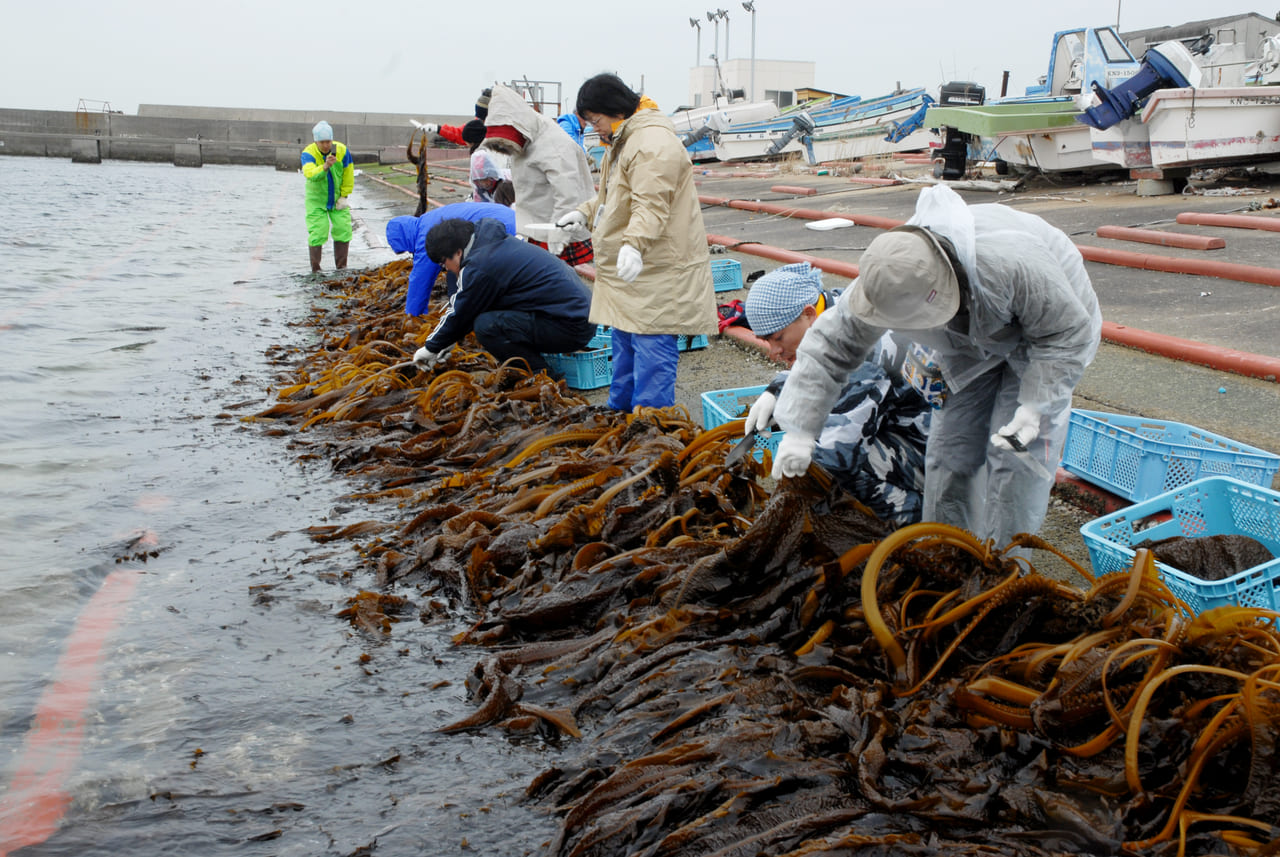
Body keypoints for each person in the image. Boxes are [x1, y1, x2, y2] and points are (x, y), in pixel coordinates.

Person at [771, 183, 1102, 546]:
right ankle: (946, 552)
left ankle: (1004, 567)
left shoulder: (1011, 265)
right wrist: (801, 430)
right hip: (965, 342)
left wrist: (1034, 405)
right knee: (950, 453)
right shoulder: (885, 280)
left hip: (1044, 338)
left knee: (1014, 461)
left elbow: (1063, 333)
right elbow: (827, 348)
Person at [555, 73, 718, 411]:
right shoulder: (625, 140)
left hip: (657, 268)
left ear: (614, 110)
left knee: (651, 349)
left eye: (596, 120)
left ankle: (651, 427)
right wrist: (584, 213)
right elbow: (616, 195)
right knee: (625, 344)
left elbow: (651, 205)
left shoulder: (651, 144)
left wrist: (634, 244)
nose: (595, 128)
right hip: (634, 272)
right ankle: (620, 415)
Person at [742, 262, 933, 525]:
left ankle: (912, 525)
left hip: (931, 453)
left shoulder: (860, 351)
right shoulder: (834, 307)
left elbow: (837, 453)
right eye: (766, 342)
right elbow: (818, 364)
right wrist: (777, 390)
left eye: (778, 338)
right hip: (900, 424)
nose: (773, 352)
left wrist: (783, 511)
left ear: (808, 313)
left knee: (845, 467)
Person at [412, 218, 596, 378]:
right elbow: (473, 306)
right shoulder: (492, 243)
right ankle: (534, 364)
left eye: (444, 263)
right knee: (489, 313)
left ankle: (542, 376)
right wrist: (448, 341)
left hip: (572, 326)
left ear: (458, 252)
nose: (447, 269)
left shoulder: (480, 266)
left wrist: (430, 348)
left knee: (487, 326)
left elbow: (461, 311)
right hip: (579, 313)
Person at [480, 84, 596, 266]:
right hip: (535, 225)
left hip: (555, 227)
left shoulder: (554, 145)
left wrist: (559, 234)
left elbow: (568, 194)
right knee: (545, 281)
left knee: (554, 281)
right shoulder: (527, 135)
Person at [385, 201, 516, 316]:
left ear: (404, 239)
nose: (409, 252)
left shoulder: (425, 237)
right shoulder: (426, 221)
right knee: (456, 271)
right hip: (510, 217)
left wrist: (412, 316)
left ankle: (461, 313)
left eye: (405, 249)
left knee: (459, 275)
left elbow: (420, 280)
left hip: (502, 229)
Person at [300, 120, 354, 272]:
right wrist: (324, 167)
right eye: (322, 142)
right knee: (318, 231)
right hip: (317, 200)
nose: (326, 145)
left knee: (343, 228)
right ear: (316, 141)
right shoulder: (308, 153)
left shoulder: (342, 150)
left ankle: (342, 268)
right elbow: (310, 174)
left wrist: (344, 195)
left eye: (328, 141)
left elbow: (348, 173)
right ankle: (316, 270)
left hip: (337, 198)